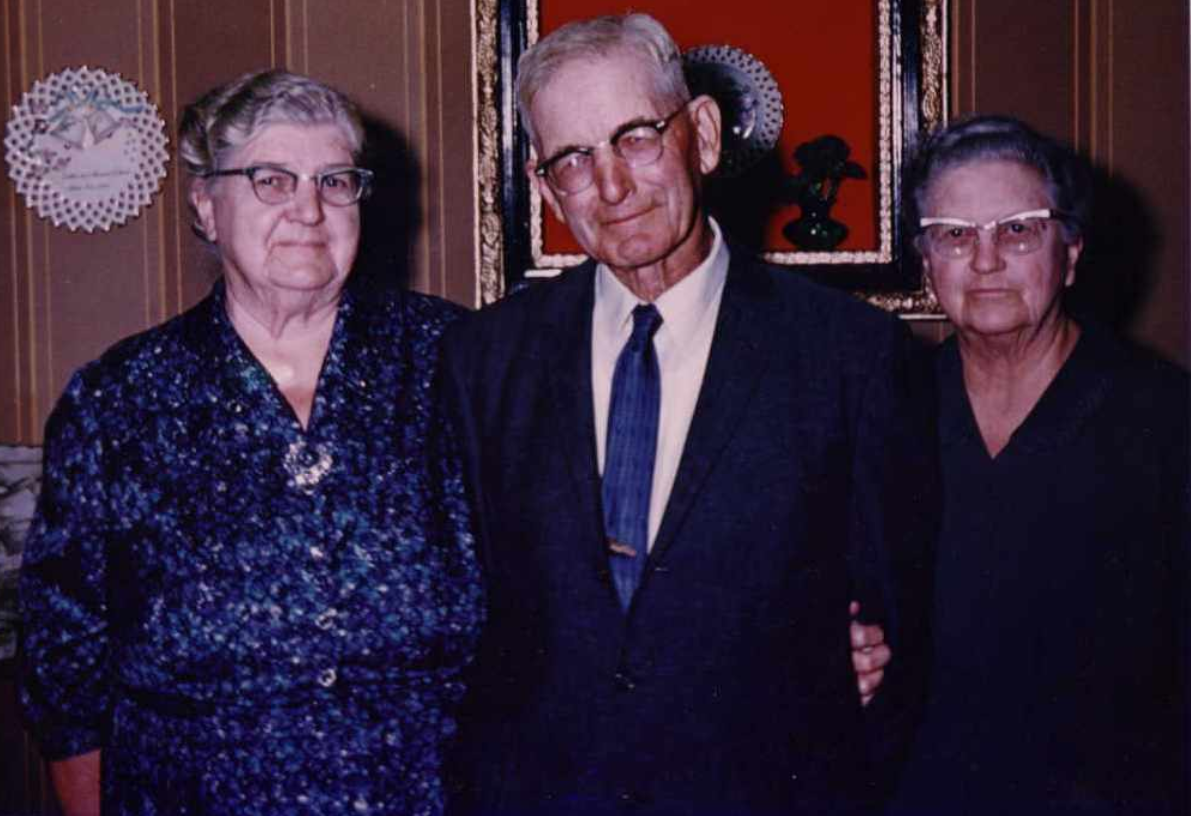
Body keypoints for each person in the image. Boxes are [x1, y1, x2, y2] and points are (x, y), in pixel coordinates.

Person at [440, 14, 938, 815]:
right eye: (573, 158)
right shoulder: (483, 361)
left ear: (701, 135)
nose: (611, 186)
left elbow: (895, 633)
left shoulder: (850, 356)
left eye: (635, 137)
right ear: (543, 187)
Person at [19, 70, 484, 816]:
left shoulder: (456, 360)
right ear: (206, 205)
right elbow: (64, 661)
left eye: (335, 181)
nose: (308, 209)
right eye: (271, 179)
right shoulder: (120, 400)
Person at [889, 115, 1189, 815]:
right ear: (925, 263)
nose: (985, 260)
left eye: (1017, 229)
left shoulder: (1164, 421)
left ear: (1071, 250)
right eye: (954, 235)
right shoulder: (887, 414)